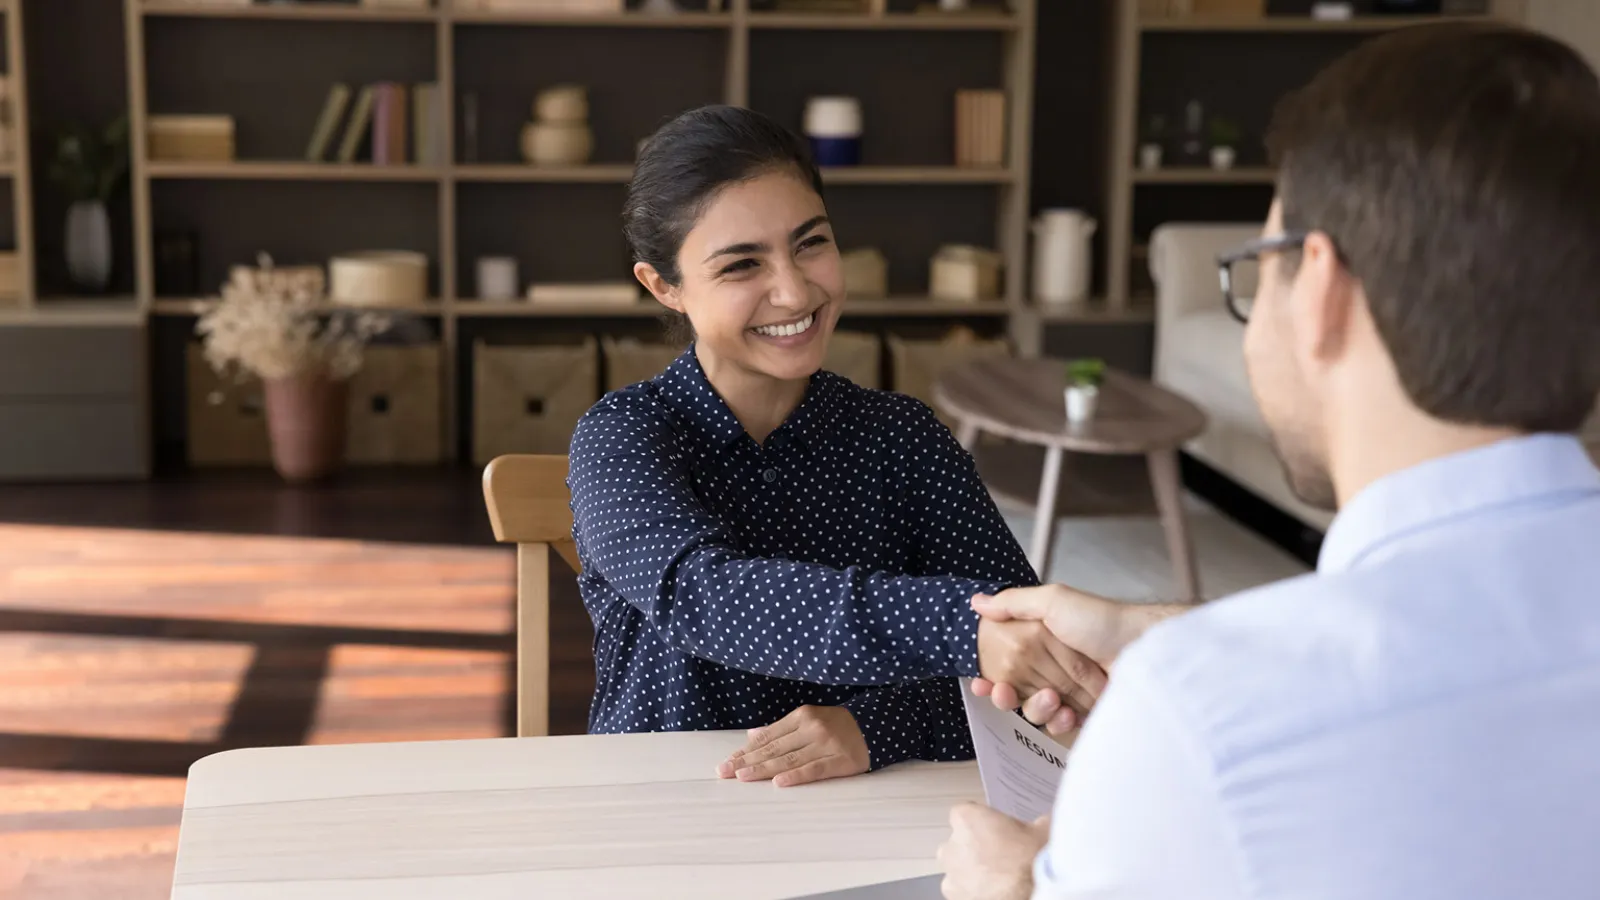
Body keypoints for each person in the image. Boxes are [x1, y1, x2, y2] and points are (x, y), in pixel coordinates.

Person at [938, 21, 1600, 899]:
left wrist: (1013, 886)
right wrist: (1167, 634)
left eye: (1262, 265)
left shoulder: (1205, 720)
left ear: (1320, 288)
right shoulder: (1210, 691)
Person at [565, 104, 1105, 789]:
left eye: (810, 242)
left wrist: (875, 727)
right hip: (663, 808)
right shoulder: (622, 437)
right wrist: (967, 633)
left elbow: (1031, 673)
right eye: (741, 266)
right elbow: (705, 595)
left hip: (872, 809)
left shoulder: (904, 440)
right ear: (664, 286)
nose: (794, 290)